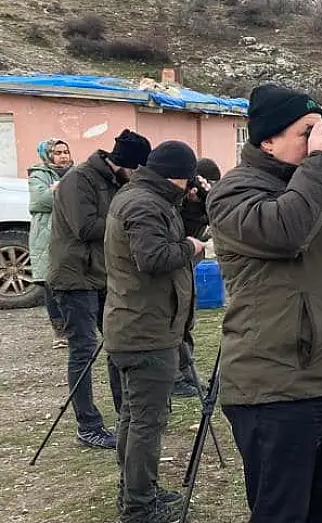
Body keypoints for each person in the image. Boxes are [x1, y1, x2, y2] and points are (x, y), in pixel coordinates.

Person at [206, 84, 322, 523]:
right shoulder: (235, 192)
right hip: (277, 387)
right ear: (267, 140)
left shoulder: (319, 187)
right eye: (307, 132)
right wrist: (319, 162)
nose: (321, 141)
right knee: (284, 515)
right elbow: (286, 231)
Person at [104, 140, 206, 523]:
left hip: (137, 325)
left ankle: (135, 494)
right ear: (179, 175)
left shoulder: (143, 196)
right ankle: (139, 509)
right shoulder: (145, 204)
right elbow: (155, 257)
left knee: (133, 419)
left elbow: (165, 235)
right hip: (146, 331)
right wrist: (193, 247)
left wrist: (193, 207)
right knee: (146, 425)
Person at [48, 129, 152, 449]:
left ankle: (126, 413)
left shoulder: (115, 180)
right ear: (120, 163)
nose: (135, 176)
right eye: (134, 169)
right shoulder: (78, 180)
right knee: (82, 351)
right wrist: (127, 219)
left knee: (117, 343)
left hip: (101, 273)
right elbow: (84, 227)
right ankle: (88, 425)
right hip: (74, 276)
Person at [173, 157, 222, 398]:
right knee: (174, 323)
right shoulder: (173, 202)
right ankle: (175, 378)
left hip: (187, 269)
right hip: (172, 270)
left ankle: (186, 373)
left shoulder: (198, 205)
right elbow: (179, 234)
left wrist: (202, 205)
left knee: (186, 321)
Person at [27, 138, 72, 349]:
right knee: (51, 284)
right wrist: (60, 191)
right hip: (46, 236)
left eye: (65, 152)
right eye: (57, 152)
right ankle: (60, 331)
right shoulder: (38, 174)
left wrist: (56, 189)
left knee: (73, 282)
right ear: (47, 155)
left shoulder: (76, 173)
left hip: (70, 235)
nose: (63, 156)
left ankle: (76, 326)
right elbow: (39, 201)